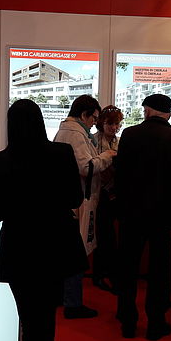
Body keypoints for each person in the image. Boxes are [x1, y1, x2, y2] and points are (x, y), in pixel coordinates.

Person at [0, 99, 86, 341]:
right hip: (55, 247)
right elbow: (75, 198)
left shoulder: (3, 160)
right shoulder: (62, 153)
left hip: (19, 248)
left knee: (27, 315)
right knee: (45, 317)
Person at [115, 94, 171, 341]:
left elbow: (120, 176)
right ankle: (156, 323)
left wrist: (121, 210)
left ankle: (128, 321)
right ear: (168, 114)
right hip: (163, 217)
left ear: (147, 111)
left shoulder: (129, 135)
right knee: (160, 271)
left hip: (132, 214)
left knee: (127, 268)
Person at [54, 95, 117, 319]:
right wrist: (107, 157)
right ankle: (73, 302)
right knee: (76, 253)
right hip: (79, 201)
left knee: (68, 252)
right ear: (84, 114)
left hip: (70, 200)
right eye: (94, 118)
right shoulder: (75, 134)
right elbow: (86, 167)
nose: (94, 123)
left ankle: (64, 297)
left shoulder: (67, 131)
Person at [92, 105, 124, 294]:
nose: (114, 127)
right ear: (101, 123)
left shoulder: (121, 142)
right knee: (103, 236)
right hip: (98, 192)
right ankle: (100, 274)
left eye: (117, 124)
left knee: (111, 237)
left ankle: (108, 274)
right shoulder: (93, 141)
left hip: (116, 193)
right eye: (110, 123)